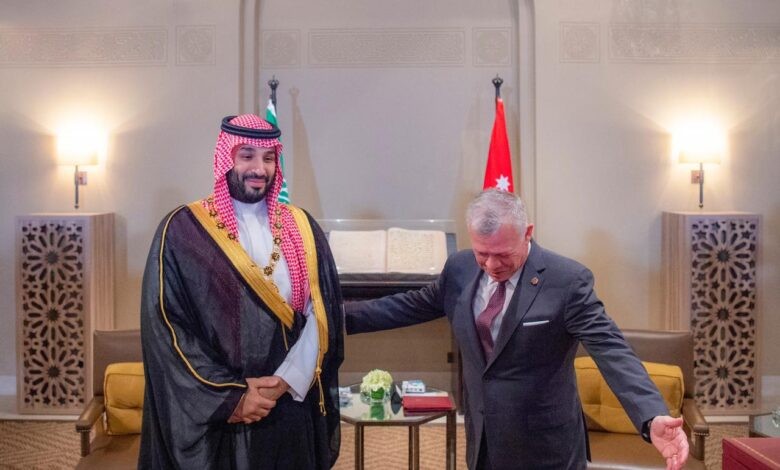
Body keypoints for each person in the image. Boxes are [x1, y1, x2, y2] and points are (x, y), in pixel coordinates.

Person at [344, 189, 689, 470]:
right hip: (483, 440)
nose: (492, 265)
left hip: (545, 447)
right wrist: (332, 318)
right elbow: (410, 306)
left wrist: (652, 415)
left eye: (503, 254)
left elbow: (611, 349)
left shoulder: (567, 281)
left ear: (527, 233)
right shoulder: (460, 268)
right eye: (482, 253)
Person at [139, 114, 344, 469]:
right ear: (226, 158)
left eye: (268, 158)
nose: (259, 169)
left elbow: (322, 313)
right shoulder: (184, 230)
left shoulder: (301, 226)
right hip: (219, 413)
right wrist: (231, 397)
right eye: (247, 156)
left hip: (288, 402)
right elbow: (167, 327)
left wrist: (285, 380)